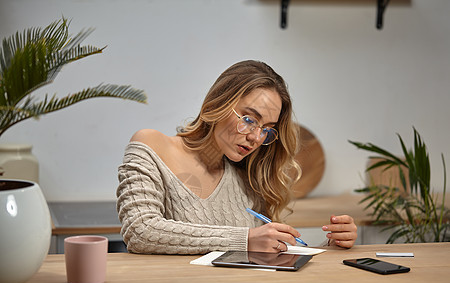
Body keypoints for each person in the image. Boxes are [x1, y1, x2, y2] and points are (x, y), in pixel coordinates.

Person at [116, 60, 357, 255]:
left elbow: (267, 255)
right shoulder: (152, 145)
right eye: (249, 119)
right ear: (217, 104)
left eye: (266, 129)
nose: (256, 138)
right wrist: (245, 238)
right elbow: (140, 231)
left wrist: (331, 248)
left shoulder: (247, 180)